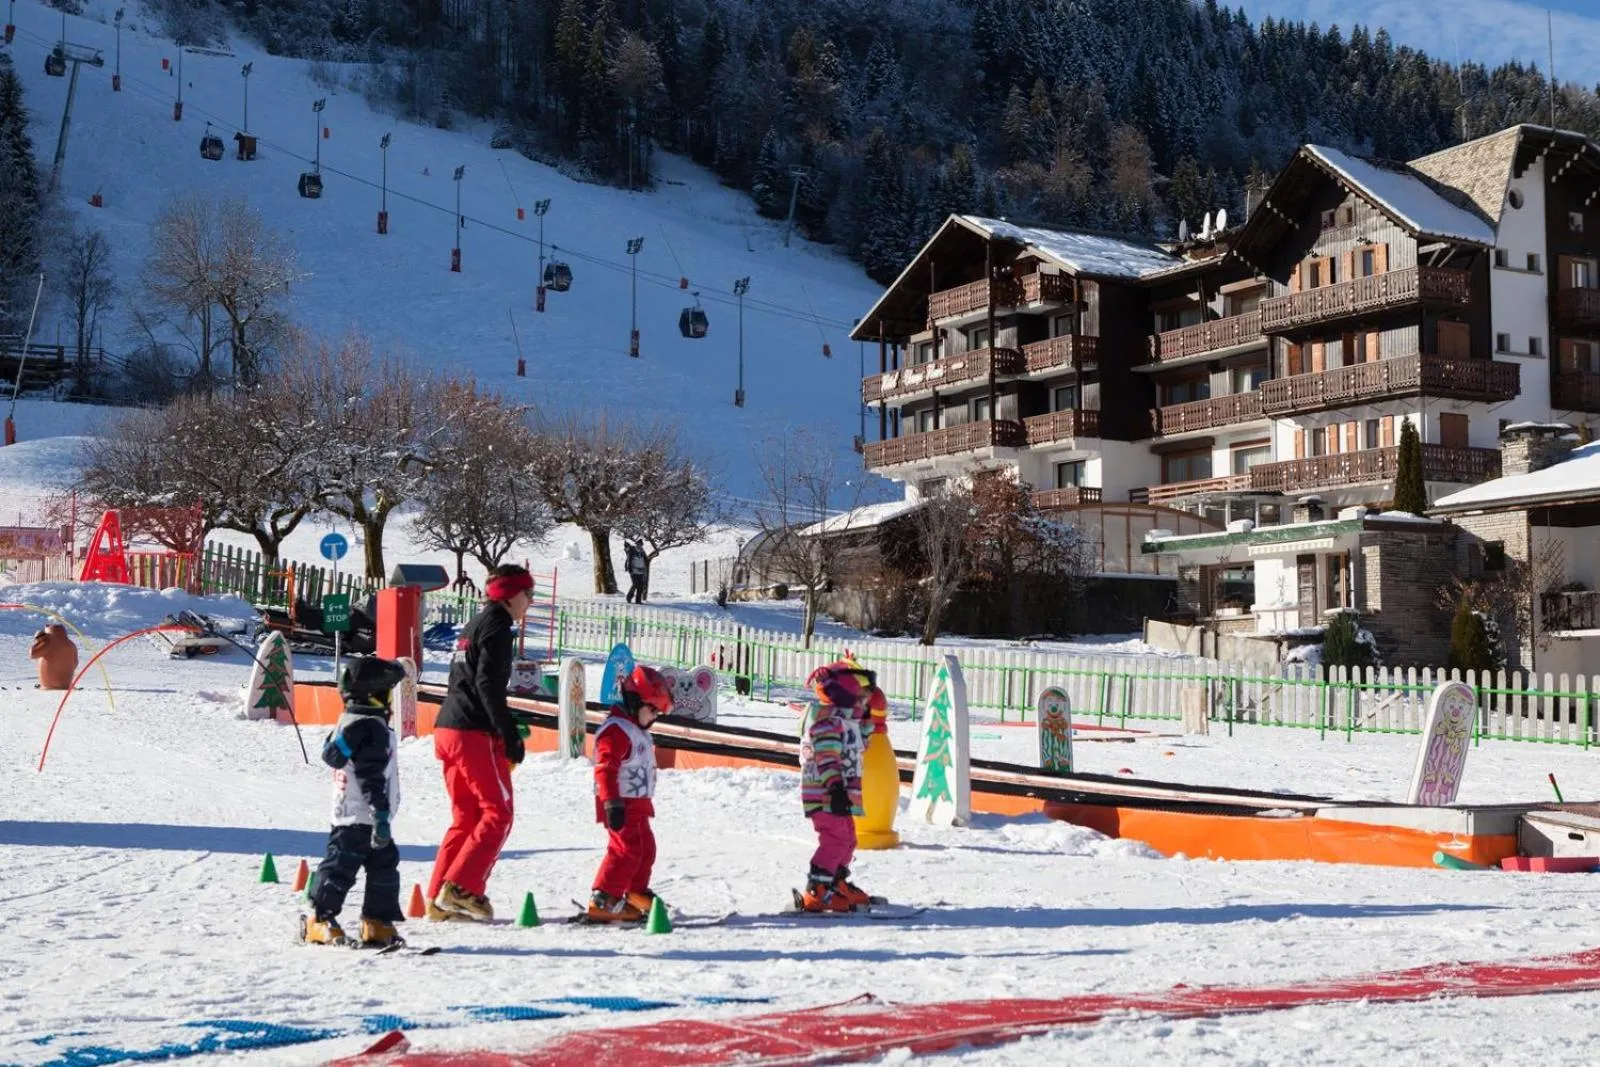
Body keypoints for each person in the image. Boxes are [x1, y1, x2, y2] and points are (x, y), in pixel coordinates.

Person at [427, 564, 534, 921]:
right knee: (498, 812)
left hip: (448, 727)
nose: (530, 602)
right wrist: (508, 732)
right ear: (511, 595)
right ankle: (461, 887)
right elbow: (487, 685)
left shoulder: (475, 623)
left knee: (467, 817)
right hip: (472, 732)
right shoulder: (499, 628)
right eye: (528, 594)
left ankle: (438, 897)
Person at [303, 656, 408, 947]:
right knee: (340, 868)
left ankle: (375, 920)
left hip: (351, 813)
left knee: (383, 866)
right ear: (377, 695)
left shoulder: (351, 722)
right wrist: (381, 814)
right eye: (388, 692)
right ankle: (319, 919)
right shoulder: (370, 728)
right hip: (364, 815)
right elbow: (369, 775)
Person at [585, 664, 675, 923]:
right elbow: (605, 768)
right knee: (626, 850)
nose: (655, 717)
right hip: (619, 803)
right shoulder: (616, 730)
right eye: (653, 710)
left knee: (646, 849)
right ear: (636, 702)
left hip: (638, 803)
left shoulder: (635, 730)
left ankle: (635, 891)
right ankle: (604, 897)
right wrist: (611, 802)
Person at [797, 660, 880, 913]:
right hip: (826, 793)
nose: (865, 703)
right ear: (844, 695)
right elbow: (826, 756)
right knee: (836, 839)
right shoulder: (827, 723)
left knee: (849, 839)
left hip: (840, 793)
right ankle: (817, 889)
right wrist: (834, 787)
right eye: (861, 698)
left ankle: (836, 882)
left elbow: (858, 745)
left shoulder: (847, 723)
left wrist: (866, 723)